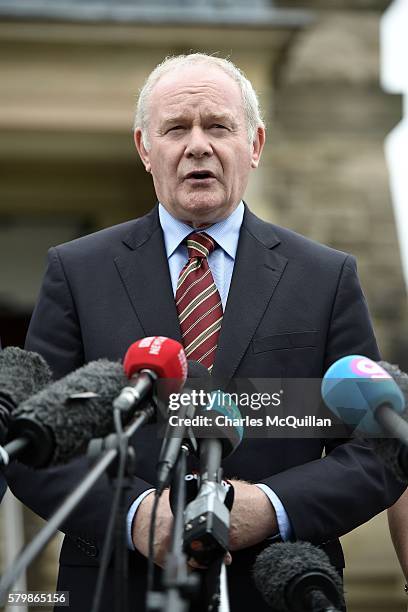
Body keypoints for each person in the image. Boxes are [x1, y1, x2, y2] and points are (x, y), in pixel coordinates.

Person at [4, 54, 405, 611]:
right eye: (176, 129)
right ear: (146, 148)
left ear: (255, 145)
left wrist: (270, 505)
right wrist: (138, 515)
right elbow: (35, 442)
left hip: (280, 587)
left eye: (218, 126)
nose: (197, 145)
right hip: (114, 587)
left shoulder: (326, 276)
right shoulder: (77, 271)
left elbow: (379, 448)